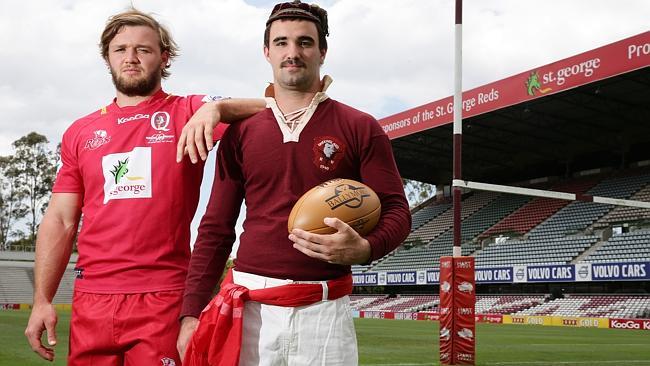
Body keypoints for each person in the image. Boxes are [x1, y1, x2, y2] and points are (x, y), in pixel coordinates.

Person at [24, 8, 264, 365]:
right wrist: (42, 300)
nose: (131, 58)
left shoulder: (188, 110)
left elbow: (271, 109)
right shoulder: (81, 131)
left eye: (144, 49)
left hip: (164, 296)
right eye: (120, 49)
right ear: (107, 57)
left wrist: (217, 110)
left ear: (164, 57)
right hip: (92, 298)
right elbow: (60, 220)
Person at [177, 1, 411, 365]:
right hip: (251, 307)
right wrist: (192, 312)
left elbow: (397, 209)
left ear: (323, 51)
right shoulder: (241, 132)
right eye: (282, 42)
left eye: (304, 42)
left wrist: (365, 248)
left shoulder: (360, 125)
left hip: (325, 310)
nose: (293, 52)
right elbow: (215, 228)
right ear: (267, 52)